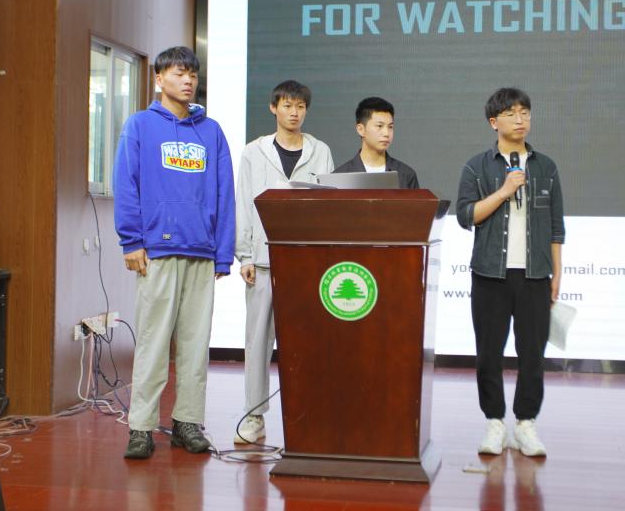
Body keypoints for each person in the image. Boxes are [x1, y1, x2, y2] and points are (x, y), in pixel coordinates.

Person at [113, 46, 235, 459]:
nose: (187, 81)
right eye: (179, 73)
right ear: (159, 78)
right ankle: (141, 427)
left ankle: (187, 422)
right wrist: (131, 241)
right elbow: (126, 184)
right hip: (158, 251)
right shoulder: (139, 126)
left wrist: (223, 252)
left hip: (201, 251)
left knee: (196, 345)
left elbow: (225, 193)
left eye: (192, 75)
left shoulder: (211, 132)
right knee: (152, 342)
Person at [455, 87, 564, 457]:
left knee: (533, 353)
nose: (521, 120)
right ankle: (495, 423)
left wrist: (557, 273)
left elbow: (556, 226)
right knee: (488, 352)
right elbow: (466, 216)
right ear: (493, 122)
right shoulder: (477, 166)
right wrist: (504, 191)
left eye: (525, 113)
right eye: (511, 113)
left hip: (535, 275)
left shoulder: (546, 167)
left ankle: (526, 425)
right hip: (490, 275)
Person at [234, 80, 334, 443]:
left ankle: (307, 415)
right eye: (288, 105)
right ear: (273, 108)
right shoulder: (253, 152)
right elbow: (244, 204)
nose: (294, 112)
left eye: (300, 106)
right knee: (257, 343)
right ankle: (254, 417)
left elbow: (329, 206)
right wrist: (244, 255)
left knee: (307, 343)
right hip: (262, 260)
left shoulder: (320, 151)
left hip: (306, 263)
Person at [334, 96, 420, 189]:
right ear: (361, 129)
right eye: (379, 126)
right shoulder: (339, 177)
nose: (386, 133)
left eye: (390, 127)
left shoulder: (406, 175)